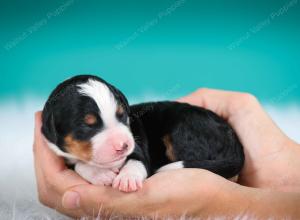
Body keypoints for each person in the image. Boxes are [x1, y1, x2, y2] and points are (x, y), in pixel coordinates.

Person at [33, 88, 300, 219]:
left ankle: (219, 169)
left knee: (181, 127)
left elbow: (137, 157)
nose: (122, 141)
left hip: (202, 134)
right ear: (54, 130)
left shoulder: (132, 142)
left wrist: (227, 200)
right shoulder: (67, 146)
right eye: (89, 128)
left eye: (121, 118)